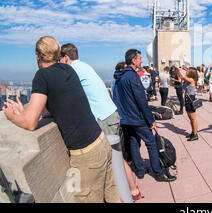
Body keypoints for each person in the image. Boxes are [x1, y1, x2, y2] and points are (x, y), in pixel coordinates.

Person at [2, 36, 121, 203]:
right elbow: (56, 106)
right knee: (114, 198)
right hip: (100, 141)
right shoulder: (68, 70)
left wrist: (12, 116)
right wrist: (26, 113)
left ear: (38, 56)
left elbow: (30, 124)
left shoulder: (42, 76)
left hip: (86, 155)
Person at [59, 43, 142, 201]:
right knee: (116, 157)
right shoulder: (83, 66)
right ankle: (132, 190)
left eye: (60, 60)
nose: (59, 64)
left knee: (114, 159)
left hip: (104, 118)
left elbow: (65, 93)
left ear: (65, 58)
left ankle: (131, 191)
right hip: (110, 114)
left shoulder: (73, 68)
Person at [113, 49, 176, 182]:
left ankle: (140, 171)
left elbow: (117, 99)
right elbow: (141, 100)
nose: (141, 61)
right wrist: (150, 119)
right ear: (133, 60)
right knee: (151, 143)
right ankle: (158, 173)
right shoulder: (132, 76)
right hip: (136, 118)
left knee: (133, 142)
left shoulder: (119, 77)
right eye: (139, 58)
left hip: (125, 118)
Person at [179, 67, 200, 141]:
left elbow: (183, 76)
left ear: (191, 73)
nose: (186, 72)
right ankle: (193, 132)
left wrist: (178, 69)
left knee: (193, 119)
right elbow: (182, 77)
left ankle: (195, 134)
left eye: (187, 71)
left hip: (190, 100)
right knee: (191, 119)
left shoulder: (191, 80)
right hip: (188, 99)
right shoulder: (188, 80)